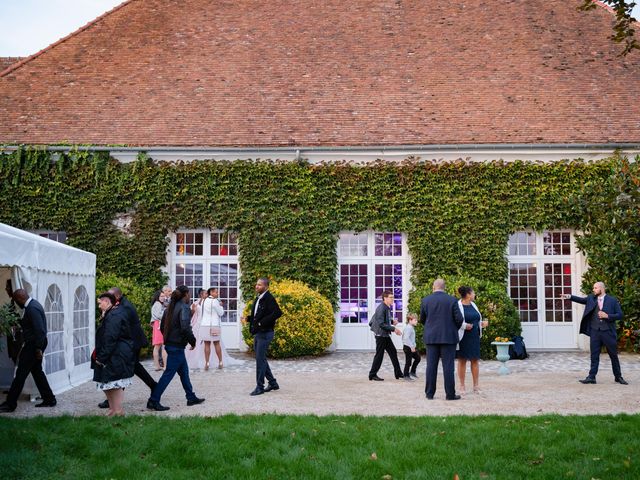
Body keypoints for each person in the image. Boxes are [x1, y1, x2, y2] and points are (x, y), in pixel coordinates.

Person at [97, 287, 157, 409]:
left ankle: (113, 401)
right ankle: (153, 386)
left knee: (127, 368)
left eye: (109, 296)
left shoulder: (124, 307)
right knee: (133, 367)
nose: (106, 299)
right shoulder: (120, 305)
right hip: (130, 342)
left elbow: (116, 325)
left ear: (117, 297)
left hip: (132, 342)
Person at [147, 285, 204, 411]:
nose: (189, 296)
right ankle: (153, 400)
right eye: (188, 294)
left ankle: (191, 397)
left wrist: (168, 338)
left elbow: (162, 327)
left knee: (184, 373)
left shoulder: (170, 308)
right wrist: (193, 341)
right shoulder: (183, 307)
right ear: (185, 295)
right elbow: (185, 327)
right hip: (176, 346)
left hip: (172, 345)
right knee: (168, 375)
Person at [0, 289, 56, 413]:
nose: (16, 304)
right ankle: (49, 399)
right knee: (37, 372)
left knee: (20, 374)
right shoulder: (32, 305)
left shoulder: (32, 308)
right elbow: (32, 325)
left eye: (15, 301)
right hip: (34, 344)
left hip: (33, 345)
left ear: (20, 299)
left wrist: (38, 349)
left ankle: (10, 404)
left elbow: (40, 330)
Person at [563, 282, 628, 385]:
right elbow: (581, 300)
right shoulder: (591, 299)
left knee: (613, 355)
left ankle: (618, 376)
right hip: (595, 332)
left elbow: (620, 315)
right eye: (593, 288)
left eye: (595, 288)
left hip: (608, 332)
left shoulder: (612, 300)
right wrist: (569, 296)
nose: (593, 289)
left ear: (601, 289)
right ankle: (591, 377)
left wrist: (607, 316)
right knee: (594, 355)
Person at [420, 279, 464, 400]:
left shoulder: (426, 300)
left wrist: (431, 327)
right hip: (448, 337)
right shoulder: (452, 300)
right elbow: (459, 319)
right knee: (448, 366)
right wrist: (452, 328)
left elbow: (422, 319)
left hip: (431, 337)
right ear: (445, 287)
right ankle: (450, 394)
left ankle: (429, 394)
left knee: (431, 366)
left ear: (433, 287)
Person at [92, 292, 135, 416]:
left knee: (114, 383)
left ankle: (118, 410)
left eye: (100, 303)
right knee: (108, 383)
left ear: (107, 301)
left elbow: (110, 338)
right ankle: (113, 409)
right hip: (114, 353)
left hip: (116, 354)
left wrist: (102, 357)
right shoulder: (111, 313)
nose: (99, 306)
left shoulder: (114, 315)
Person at [243, 278, 282, 396]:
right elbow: (259, 314)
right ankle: (273, 383)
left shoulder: (269, 298)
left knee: (260, 360)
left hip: (265, 333)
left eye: (259, 285)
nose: (256, 286)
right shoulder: (259, 298)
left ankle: (260, 387)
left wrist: (261, 323)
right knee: (261, 359)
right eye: (256, 284)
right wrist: (249, 319)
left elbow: (277, 313)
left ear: (266, 286)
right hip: (259, 333)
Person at [455, 286, 488, 395]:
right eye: (473, 293)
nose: (474, 295)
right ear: (468, 294)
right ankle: (462, 386)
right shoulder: (458, 306)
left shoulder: (474, 305)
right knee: (462, 360)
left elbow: (476, 319)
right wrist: (465, 326)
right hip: (463, 337)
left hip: (474, 337)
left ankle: (476, 386)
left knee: (475, 360)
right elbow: (455, 320)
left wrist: (481, 324)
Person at [368, 290, 403, 381]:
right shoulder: (381, 308)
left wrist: (392, 321)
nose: (392, 299)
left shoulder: (387, 307)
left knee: (393, 352)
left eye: (393, 297)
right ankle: (372, 374)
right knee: (379, 355)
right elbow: (381, 324)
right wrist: (394, 329)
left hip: (385, 335)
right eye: (391, 297)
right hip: (380, 335)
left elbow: (385, 319)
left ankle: (398, 373)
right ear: (385, 298)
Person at [199, 287, 225, 370]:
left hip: (204, 325)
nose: (218, 294)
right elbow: (221, 313)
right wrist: (221, 306)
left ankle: (207, 363)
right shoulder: (215, 301)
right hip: (214, 325)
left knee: (207, 344)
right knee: (217, 343)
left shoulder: (203, 301)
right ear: (211, 293)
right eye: (216, 292)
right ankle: (220, 362)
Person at [150, 290, 168, 371]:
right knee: (162, 346)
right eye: (161, 296)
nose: (163, 298)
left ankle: (157, 366)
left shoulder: (157, 304)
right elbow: (159, 315)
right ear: (157, 297)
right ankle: (164, 366)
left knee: (157, 346)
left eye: (164, 296)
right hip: (159, 325)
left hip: (157, 325)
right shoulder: (157, 304)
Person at [402, 313, 421, 381]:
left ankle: (412, 372)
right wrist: (411, 347)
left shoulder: (411, 327)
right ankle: (406, 375)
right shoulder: (408, 328)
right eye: (415, 320)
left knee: (418, 358)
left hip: (411, 347)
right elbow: (406, 338)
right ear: (410, 320)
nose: (417, 322)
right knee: (408, 361)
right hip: (408, 347)